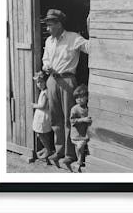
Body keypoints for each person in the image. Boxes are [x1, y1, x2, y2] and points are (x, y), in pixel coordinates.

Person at [42, 9, 89, 168]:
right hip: (52, 81)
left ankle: (70, 155)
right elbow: (45, 59)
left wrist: (95, 30)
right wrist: (47, 66)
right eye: (47, 25)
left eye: (50, 25)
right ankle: (59, 150)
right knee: (55, 118)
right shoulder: (49, 41)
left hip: (68, 81)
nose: (47, 29)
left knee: (69, 119)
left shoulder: (73, 38)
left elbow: (89, 47)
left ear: (59, 24)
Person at [31, 71, 53, 162]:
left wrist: (33, 105)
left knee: (41, 133)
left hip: (43, 116)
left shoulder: (45, 92)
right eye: (37, 82)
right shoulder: (43, 91)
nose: (39, 84)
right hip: (41, 115)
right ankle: (47, 148)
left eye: (41, 82)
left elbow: (42, 105)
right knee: (41, 134)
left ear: (45, 82)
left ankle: (48, 149)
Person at [70, 84, 92, 172]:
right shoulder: (74, 109)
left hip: (84, 133)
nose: (79, 99)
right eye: (77, 97)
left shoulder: (88, 107)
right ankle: (79, 160)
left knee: (81, 147)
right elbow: (72, 121)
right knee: (78, 147)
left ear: (86, 97)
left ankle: (80, 160)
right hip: (76, 133)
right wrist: (83, 120)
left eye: (81, 97)